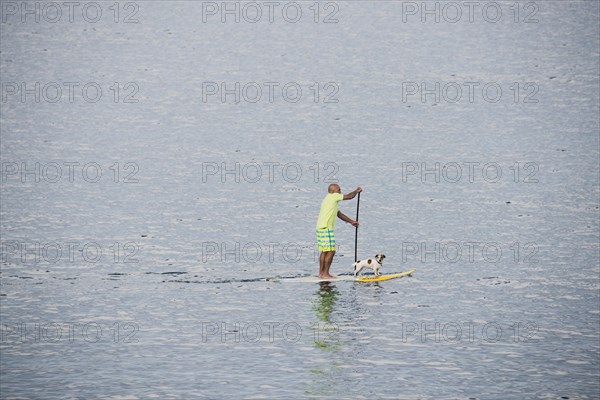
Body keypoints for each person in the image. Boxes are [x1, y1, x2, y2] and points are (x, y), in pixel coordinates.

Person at [316, 184, 362, 278]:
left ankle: (321, 273)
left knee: (325, 251)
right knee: (331, 251)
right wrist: (356, 191)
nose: (340, 191)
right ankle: (325, 274)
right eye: (338, 190)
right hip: (326, 227)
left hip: (321, 227)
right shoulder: (333, 196)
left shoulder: (329, 200)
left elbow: (339, 214)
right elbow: (349, 196)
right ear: (332, 191)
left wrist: (351, 222)